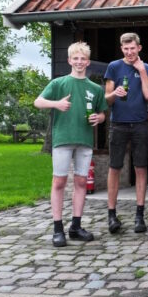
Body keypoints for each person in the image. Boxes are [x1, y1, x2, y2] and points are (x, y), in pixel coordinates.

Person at [34, 41, 107, 247]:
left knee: (81, 182)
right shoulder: (59, 84)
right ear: (69, 61)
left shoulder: (95, 88)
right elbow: (38, 102)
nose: (79, 62)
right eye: (76, 58)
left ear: (88, 62)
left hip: (84, 140)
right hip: (63, 139)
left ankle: (76, 226)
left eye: (83, 59)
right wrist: (56, 104)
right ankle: (58, 228)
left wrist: (99, 119)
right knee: (59, 182)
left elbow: (102, 112)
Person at [103, 32, 148, 234]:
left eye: (132, 48)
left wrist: (142, 71)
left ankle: (139, 216)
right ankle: (112, 215)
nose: (129, 52)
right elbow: (106, 100)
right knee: (114, 167)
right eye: (125, 49)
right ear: (121, 49)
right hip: (118, 124)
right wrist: (114, 93)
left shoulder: (147, 67)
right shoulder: (114, 67)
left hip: (140, 123)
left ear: (139, 48)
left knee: (140, 168)